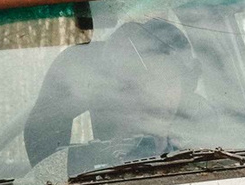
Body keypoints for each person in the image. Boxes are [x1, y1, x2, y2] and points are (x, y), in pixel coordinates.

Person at [23, 16, 197, 175]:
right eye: (145, 82)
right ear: (117, 92)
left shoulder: (205, 154)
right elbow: (44, 176)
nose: (160, 97)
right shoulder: (77, 168)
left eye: (169, 81)